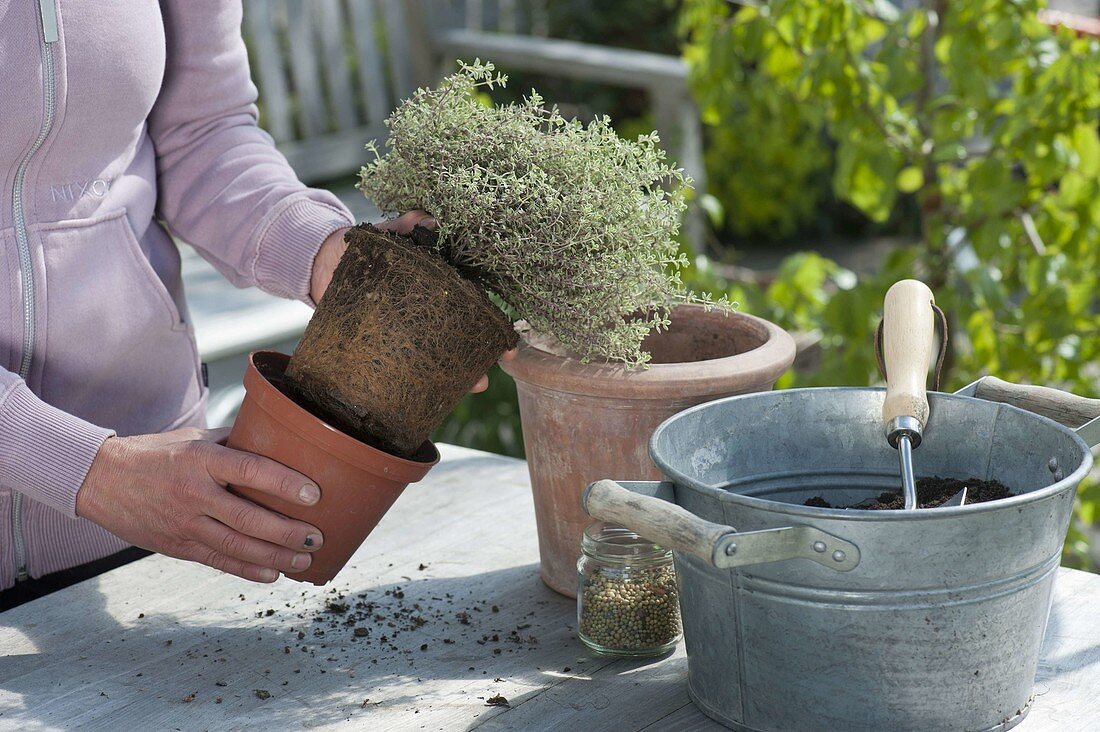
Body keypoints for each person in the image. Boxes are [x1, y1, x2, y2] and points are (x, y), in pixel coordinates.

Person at [0, 2, 503, 608]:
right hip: (124, 487)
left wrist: (325, 256)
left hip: (165, 498)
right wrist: (83, 470)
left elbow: (202, 134)